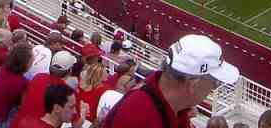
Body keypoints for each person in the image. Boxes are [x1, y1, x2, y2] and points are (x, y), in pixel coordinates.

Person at [99, 34, 238, 128]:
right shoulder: (138, 117)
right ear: (193, 85)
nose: (213, 88)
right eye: (215, 83)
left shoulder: (170, 105)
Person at [14, 50, 76, 127]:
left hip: (19, 122)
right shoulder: (67, 93)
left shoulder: (38, 77)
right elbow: (75, 122)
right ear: (70, 70)